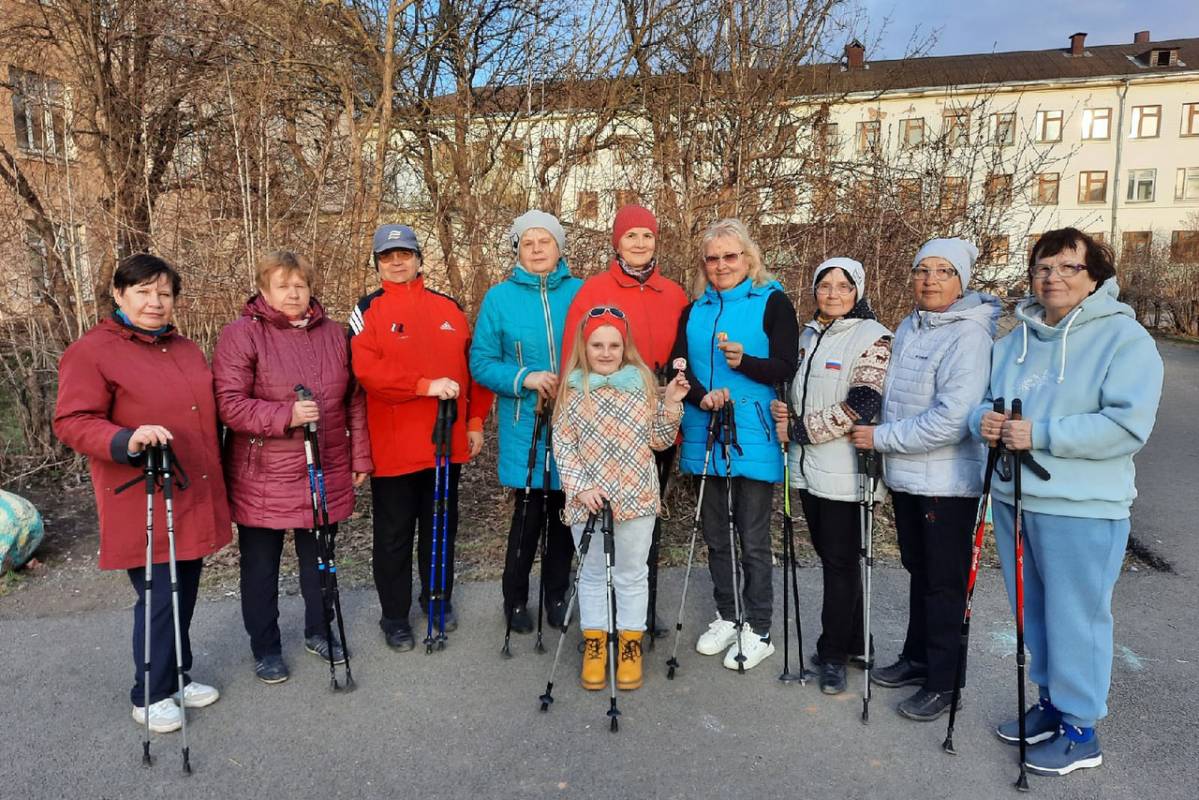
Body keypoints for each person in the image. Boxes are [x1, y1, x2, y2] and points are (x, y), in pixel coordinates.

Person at [970, 228, 1163, 777]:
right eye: (1042, 268)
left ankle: (1081, 730)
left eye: (1067, 268)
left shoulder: (1125, 340)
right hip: (1015, 498)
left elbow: (1127, 426)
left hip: (1082, 507)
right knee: (1033, 614)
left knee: (1077, 618)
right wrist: (979, 422)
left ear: (1095, 275)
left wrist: (1042, 433)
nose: (1052, 278)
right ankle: (1052, 704)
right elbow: (981, 403)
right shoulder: (1015, 340)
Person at [54, 254, 230, 733]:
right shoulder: (92, 351)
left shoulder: (186, 348)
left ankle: (176, 676)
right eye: (143, 292)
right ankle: (148, 693)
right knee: (157, 593)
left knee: (184, 587)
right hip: (142, 491)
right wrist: (124, 439)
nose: (155, 302)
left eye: (164, 293)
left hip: (192, 486)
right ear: (119, 295)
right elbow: (72, 420)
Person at [847, 238, 1000, 720]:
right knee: (920, 572)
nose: (930, 279)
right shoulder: (911, 325)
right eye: (922, 270)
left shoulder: (970, 335)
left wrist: (881, 439)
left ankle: (943, 682)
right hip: (910, 477)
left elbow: (952, 420)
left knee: (944, 585)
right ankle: (917, 659)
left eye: (943, 271)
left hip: (947, 482)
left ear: (962, 280)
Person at [213, 251, 372, 684]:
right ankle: (265, 648)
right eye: (282, 285)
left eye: (300, 284)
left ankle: (319, 631)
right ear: (264, 290)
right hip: (262, 475)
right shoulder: (241, 335)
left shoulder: (335, 335)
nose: (293, 293)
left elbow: (353, 399)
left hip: (324, 467)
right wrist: (285, 415)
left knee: (319, 560)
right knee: (260, 569)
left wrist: (360, 456)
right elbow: (229, 404)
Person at [350, 224, 494, 651]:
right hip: (394, 449)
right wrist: (423, 385)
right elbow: (367, 372)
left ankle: (437, 599)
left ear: (418, 258)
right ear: (377, 263)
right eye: (387, 256)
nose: (397, 262)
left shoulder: (449, 308)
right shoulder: (367, 310)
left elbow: (475, 373)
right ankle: (394, 616)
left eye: (404, 254)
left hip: (445, 445)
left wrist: (475, 422)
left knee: (441, 527)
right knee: (394, 535)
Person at [672, 218, 799, 671]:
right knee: (715, 533)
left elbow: (786, 365)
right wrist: (699, 393)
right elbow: (676, 364)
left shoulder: (772, 301)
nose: (721, 265)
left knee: (752, 535)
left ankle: (758, 627)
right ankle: (728, 615)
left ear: (748, 258)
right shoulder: (694, 310)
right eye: (712, 258)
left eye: (730, 256)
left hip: (754, 433)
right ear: (703, 264)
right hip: (706, 428)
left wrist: (745, 362)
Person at [560, 204, 689, 635]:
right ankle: (600, 628)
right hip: (594, 412)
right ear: (617, 241)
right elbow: (574, 350)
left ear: (656, 242)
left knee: (640, 529)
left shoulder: (672, 293)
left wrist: (672, 401)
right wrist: (567, 393)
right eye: (630, 235)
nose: (638, 243)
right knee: (598, 539)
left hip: (648, 410)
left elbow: (683, 351)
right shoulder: (594, 289)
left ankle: (637, 622)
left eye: (647, 236)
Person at [770, 257, 892, 695]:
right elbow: (795, 387)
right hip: (807, 470)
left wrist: (801, 429)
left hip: (846, 473)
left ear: (858, 290)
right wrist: (785, 410)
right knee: (834, 559)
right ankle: (858, 641)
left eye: (844, 285)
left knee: (840, 564)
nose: (834, 293)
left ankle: (834, 653)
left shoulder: (873, 338)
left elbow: (862, 404)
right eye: (825, 285)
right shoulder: (807, 334)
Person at [552, 307, 688, 690]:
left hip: (636, 498)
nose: (607, 352)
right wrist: (581, 486)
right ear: (585, 346)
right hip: (588, 500)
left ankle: (630, 643)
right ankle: (595, 641)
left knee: (631, 573)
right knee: (593, 574)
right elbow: (562, 445)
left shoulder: (641, 385)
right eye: (598, 345)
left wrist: (672, 402)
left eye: (614, 344)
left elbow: (659, 440)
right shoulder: (573, 389)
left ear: (625, 347)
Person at [470, 210, 582, 633]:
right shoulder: (499, 298)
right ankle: (515, 600)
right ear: (517, 249)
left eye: (545, 242)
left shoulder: (581, 292)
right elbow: (481, 362)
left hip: (575, 420)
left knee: (565, 514)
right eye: (528, 243)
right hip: (525, 423)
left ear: (559, 248)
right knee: (529, 514)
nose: (537, 250)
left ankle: (557, 593)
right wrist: (525, 378)